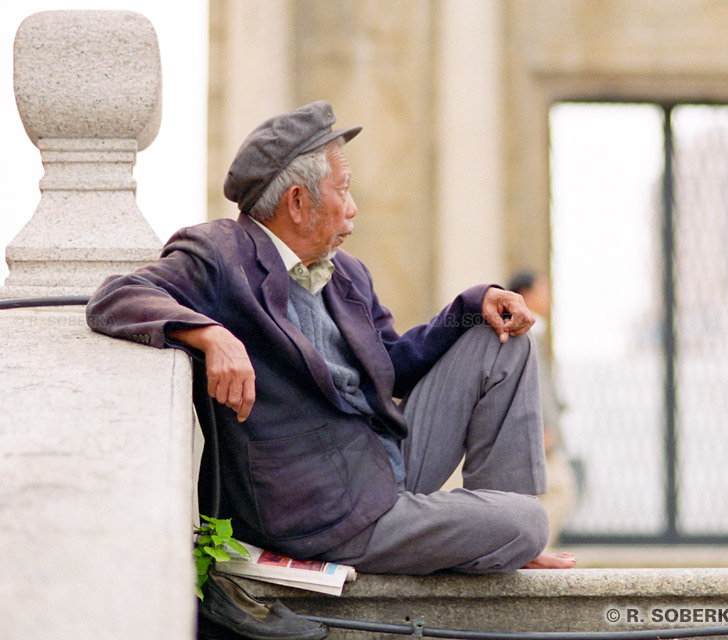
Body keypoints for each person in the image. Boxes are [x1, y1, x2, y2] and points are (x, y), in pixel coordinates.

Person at [86, 101, 575, 574]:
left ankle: (501, 537)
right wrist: (210, 334)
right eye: (343, 189)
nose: (353, 208)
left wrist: (470, 307)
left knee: (503, 339)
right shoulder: (219, 253)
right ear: (298, 202)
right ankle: (506, 534)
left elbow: (393, 363)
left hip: (384, 467)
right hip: (320, 515)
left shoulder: (347, 274)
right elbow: (117, 296)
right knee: (529, 521)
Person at [507, 271, 578, 547]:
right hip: (538, 436)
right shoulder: (523, 338)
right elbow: (531, 389)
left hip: (541, 434)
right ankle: (530, 548)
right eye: (542, 290)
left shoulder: (535, 334)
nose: (548, 298)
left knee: (551, 494)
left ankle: (532, 549)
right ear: (525, 294)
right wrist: (543, 428)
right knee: (560, 491)